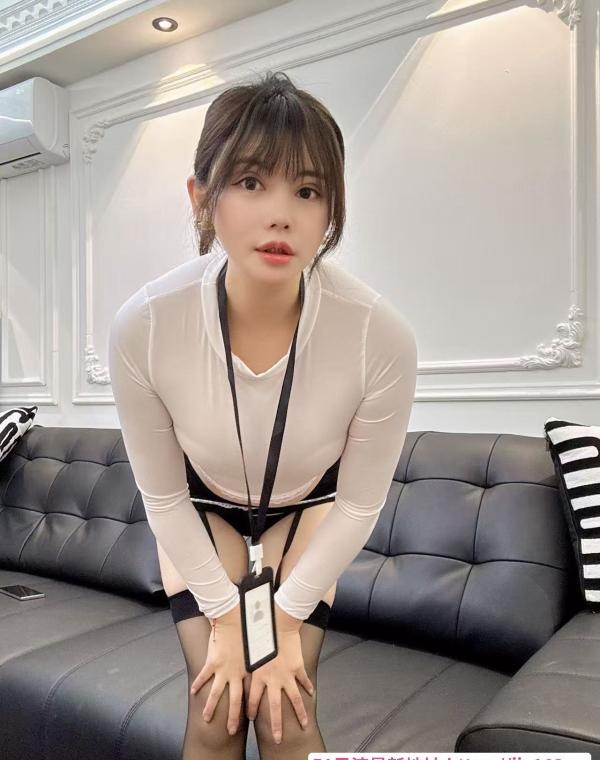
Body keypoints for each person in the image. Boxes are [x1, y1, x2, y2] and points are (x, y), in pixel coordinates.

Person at [107, 69, 418, 760]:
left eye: (307, 191)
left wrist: (281, 622)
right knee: (217, 712)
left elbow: (358, 505)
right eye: (251, 182)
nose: (281, 215)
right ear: (202, 198)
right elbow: (163, 497)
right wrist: (228, 622)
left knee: (285, 716)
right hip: (201, 509)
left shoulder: (378, 335)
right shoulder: (145, 326)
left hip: (308, 512)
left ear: (331, 211)